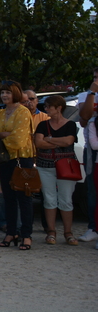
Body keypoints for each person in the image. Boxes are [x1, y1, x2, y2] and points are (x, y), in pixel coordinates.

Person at [0, 81, 35, 250]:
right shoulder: (1, 112)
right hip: (5, 159)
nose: (4, 95)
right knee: (8, 198)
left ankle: (26, 234)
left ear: (15, 94)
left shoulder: (23, 112)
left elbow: (18, 140)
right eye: (3, 92)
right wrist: (6, 134)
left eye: (8, 93)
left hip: (21, 159)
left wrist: (3, 136)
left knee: (24, 199)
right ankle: (11, 232)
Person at [34, 95, 79, 246]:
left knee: (66, 200)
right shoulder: (42, 125)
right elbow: (39, 143)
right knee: (49, 199)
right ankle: (51, 231)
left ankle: (68, 232)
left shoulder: (70, 124)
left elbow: (69, 141)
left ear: (59, 108)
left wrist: (50, 139)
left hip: (66, 166)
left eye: (48, 107)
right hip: (45, 166)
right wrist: (57, 143)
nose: (45, 109)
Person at [77, 67, 98, 243]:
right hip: (92, 150)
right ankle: (93, 227)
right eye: (95, 77)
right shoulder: (86, 96)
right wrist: (92, 92)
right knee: (92, 191)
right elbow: (84, 119)